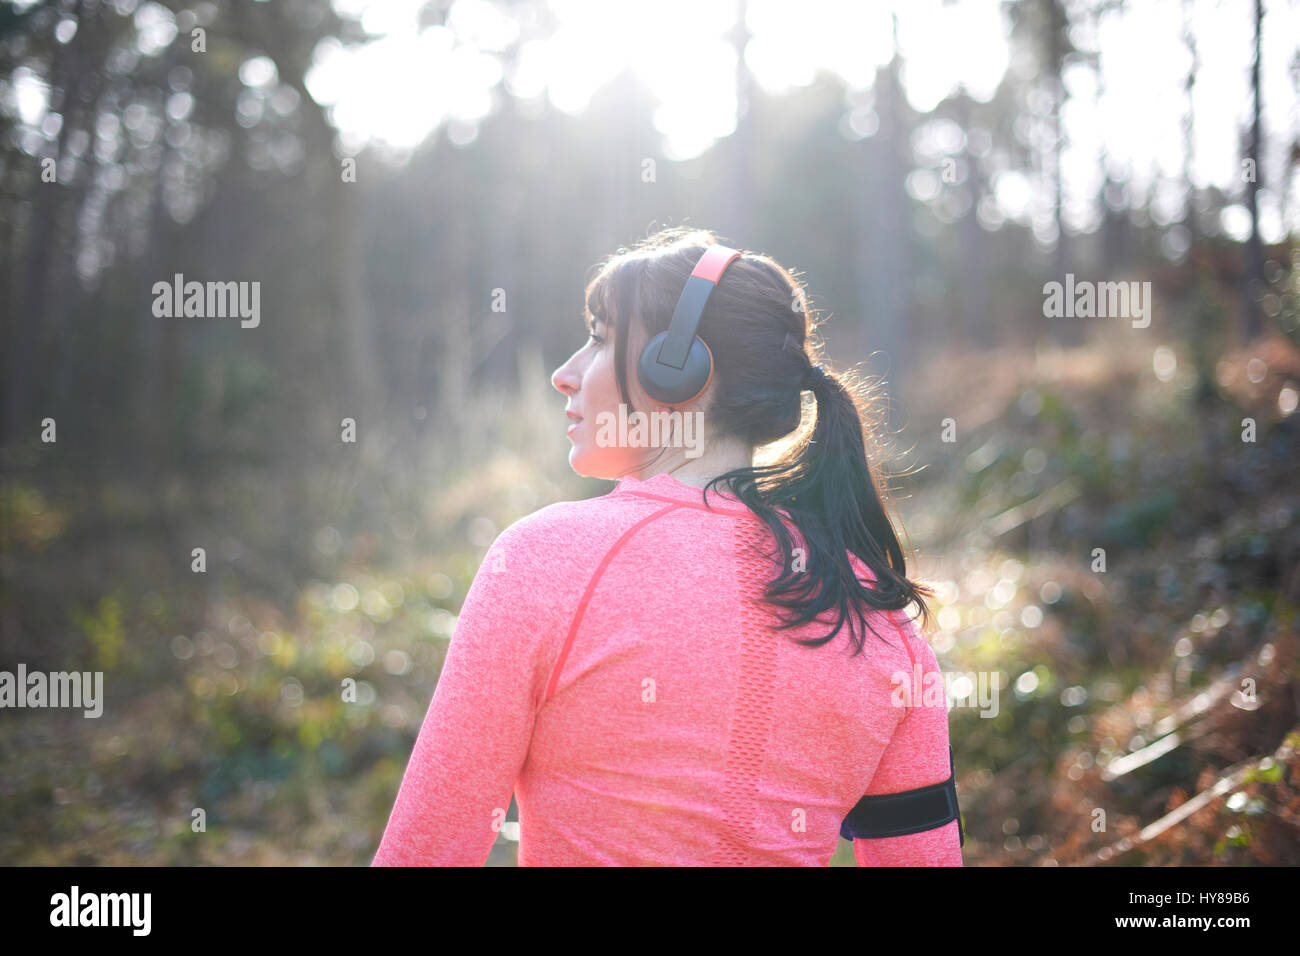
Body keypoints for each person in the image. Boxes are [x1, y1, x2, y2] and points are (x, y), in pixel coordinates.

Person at [371, 227, 962, 866]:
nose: (563, 374)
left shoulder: (543, 562)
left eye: (599, 338)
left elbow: (427, 848)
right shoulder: (880, 617)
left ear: (679, 368)